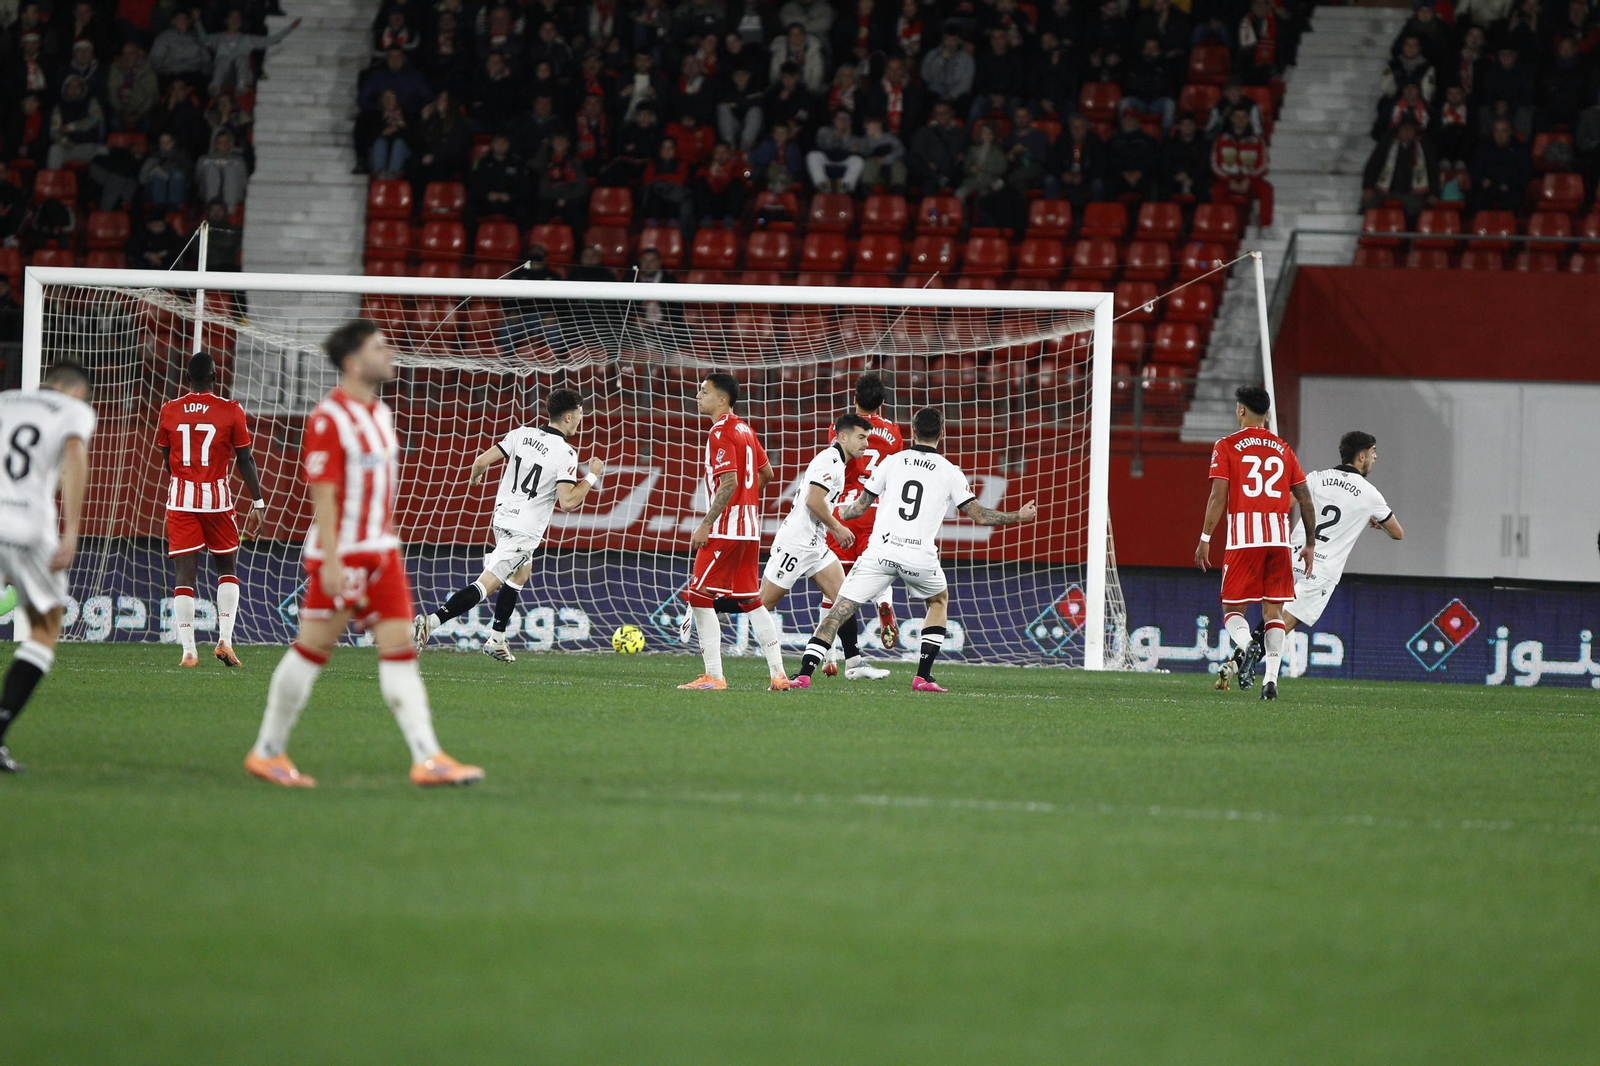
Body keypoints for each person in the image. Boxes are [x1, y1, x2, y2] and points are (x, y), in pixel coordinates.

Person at [245, 321, 484, 788]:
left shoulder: (380, 413)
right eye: (379, 347)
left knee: (400, 651)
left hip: (382, 552)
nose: (389, 352)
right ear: (353, 362)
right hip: (347, 554)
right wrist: (332, 560)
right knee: (312, 650)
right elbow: (324, 493)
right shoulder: (328, 419)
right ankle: (267, 751)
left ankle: (428, 758)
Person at [790, 407, 1038, 692]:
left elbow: (859, 508)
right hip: (918, 556)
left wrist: (837, 517)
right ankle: (922, 676)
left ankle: (804, 674)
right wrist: (1018, 516)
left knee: (840, 609)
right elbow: (980, 515)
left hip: (881, 552)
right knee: (938, 601)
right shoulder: (950, 471)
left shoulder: (892, 461)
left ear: (913, 432)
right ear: (942, 434)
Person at [414, 389, 605, 662]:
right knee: (487, 584)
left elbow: (480, 462)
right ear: (568, 416)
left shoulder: (521, 433)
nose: (581, 420)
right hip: (525, 529)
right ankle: (431, 622)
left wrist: (475, 478)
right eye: (581, 414)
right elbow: (568, 501)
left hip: (502, 518)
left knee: (521, 573)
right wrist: (593, 477)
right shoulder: (566, 453)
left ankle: (497, 639)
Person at [1236, 431, 1404, 687]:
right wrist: (1375, 523)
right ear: (1361, 456)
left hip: (1292, 555)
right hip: (1322, 569)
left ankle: (1236, 660)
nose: (1375, 458)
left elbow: (1283, 503)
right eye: (1373, 453)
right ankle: (1259, 668)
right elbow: (1398, 533)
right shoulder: (1371, 495)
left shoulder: (1316, 478)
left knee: (1273, 615)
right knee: (1284, 623)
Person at [0, 361, 94, 774]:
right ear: (75, 391)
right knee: (46, 626)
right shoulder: (73, 412)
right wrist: (72, 531)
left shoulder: (5, 401)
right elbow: (74, 457)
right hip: (28, 529)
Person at [1194, 385, 1316, 701]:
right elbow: (1304, 498)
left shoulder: (1227, 446)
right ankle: (1270, 683)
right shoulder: (1283, 449)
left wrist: (1205, 538)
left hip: (1244, 541)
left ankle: (1248, 647)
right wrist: (1310, 544)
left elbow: (1218, 496)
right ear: (1268, 414)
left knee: (1233, 608)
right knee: (1274, 611)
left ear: (1241, 410)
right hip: (1279, 541)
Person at [758, 414, 889, 683]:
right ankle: (707, 608)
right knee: (760, 604)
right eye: (860, 437)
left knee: (845, 599)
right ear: (842, 437)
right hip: (795, 544)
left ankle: (853, 662)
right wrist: (838, 528)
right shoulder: (829, 461)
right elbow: (813, 501)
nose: (865, 443)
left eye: (867, 437)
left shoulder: (839, 463)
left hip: (815, 545)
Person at [678, 373, 789, 691]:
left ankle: (713, 675)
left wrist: (707, 522)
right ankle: (778, 675)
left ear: (722, 399)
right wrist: (747, 503)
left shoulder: (721, 432)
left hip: (726, 529)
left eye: (704, 391)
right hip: (750, 529)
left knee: (699, 596)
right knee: (752, 601)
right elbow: (766, 473)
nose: (698, 396)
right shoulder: (746, 429)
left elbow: (729, 482)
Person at [156, 352, 266, 668]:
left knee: (184, 575)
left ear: (187, 378)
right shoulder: (231, 411)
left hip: (181, 500)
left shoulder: (170, 410)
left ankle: (189, 651)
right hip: (217, 500)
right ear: (215, 375)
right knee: (227, 569)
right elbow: (245, 459)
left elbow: (167, 457)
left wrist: (184, 482)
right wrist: (257, 502)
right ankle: (225, 642)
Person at [822, 372, 904, 667]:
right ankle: (884, 601)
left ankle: (829, 655)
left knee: (834, 585)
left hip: (844, 512)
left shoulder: (840, 429)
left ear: (854, 399)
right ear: (882, 403)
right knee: (877, 569)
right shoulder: (894, 433)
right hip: (876, 510)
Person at [203, 11, 301, 94]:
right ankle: (215, 84)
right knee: (223, 58)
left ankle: (241, 85)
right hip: (223, 76)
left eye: (238, 18)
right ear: (226, 21)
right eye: (232, 17)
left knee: (241, 58)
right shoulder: (219, 38)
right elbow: (204, 40)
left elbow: (271, 40)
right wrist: (196, 22)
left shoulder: (247, 39)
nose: (235, 20)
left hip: (242, 76)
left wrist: (290, 28)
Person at [1361, 116, 1437, 223]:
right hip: (1386, 189)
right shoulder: (1388, 143)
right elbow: (1373, 164)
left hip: (1410, 191)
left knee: (1415, 208)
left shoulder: (1423, 146)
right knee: (1368, 201)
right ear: (1399, 130)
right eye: (1404, 129)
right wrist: (1368, 186)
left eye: (1410, 129)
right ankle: (1372, 231)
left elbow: (1432, 169)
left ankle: (1407, 237)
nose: (1407, 132)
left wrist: (1433, 192)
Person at [1210, 104, 1273, 226]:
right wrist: (1228, 179)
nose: (1240, 120)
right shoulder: (1221, 139)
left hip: (1250, 180)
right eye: (1237, 117)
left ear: (1249, 119)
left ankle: (1265, 226)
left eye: (1243, 117)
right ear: (1232, 119)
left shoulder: (1257, 141)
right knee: (1216, 190)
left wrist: (1249, 179)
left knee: (1267, 189)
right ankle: (1218, 225)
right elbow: (1214, 164)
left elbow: (1264, 164)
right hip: (1227, 179)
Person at [808, 110, 866, 192]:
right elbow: (822, 146)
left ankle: (846, 186)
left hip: (843, 161)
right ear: (834, 120)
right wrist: (836, 136)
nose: (843, 121)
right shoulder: (824, 131)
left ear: (850, 122)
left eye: (847, 119)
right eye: (840, 118)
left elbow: (854, 152)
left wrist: (846, 136)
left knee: (858, 160)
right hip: (827, 159)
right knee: (813, 155)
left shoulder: (855, 138)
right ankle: (821, 184)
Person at [196, 129, 248, 208]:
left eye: (227, 142)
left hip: (233, 195)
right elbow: (198, 179)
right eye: (221, 142)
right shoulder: (204, 160)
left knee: (230, 170)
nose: (224, 145)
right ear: (215, 144)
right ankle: (213, 208)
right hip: (208, 193)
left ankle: (229, 209)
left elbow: (243, 181)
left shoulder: (238, 160)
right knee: (211, 169)